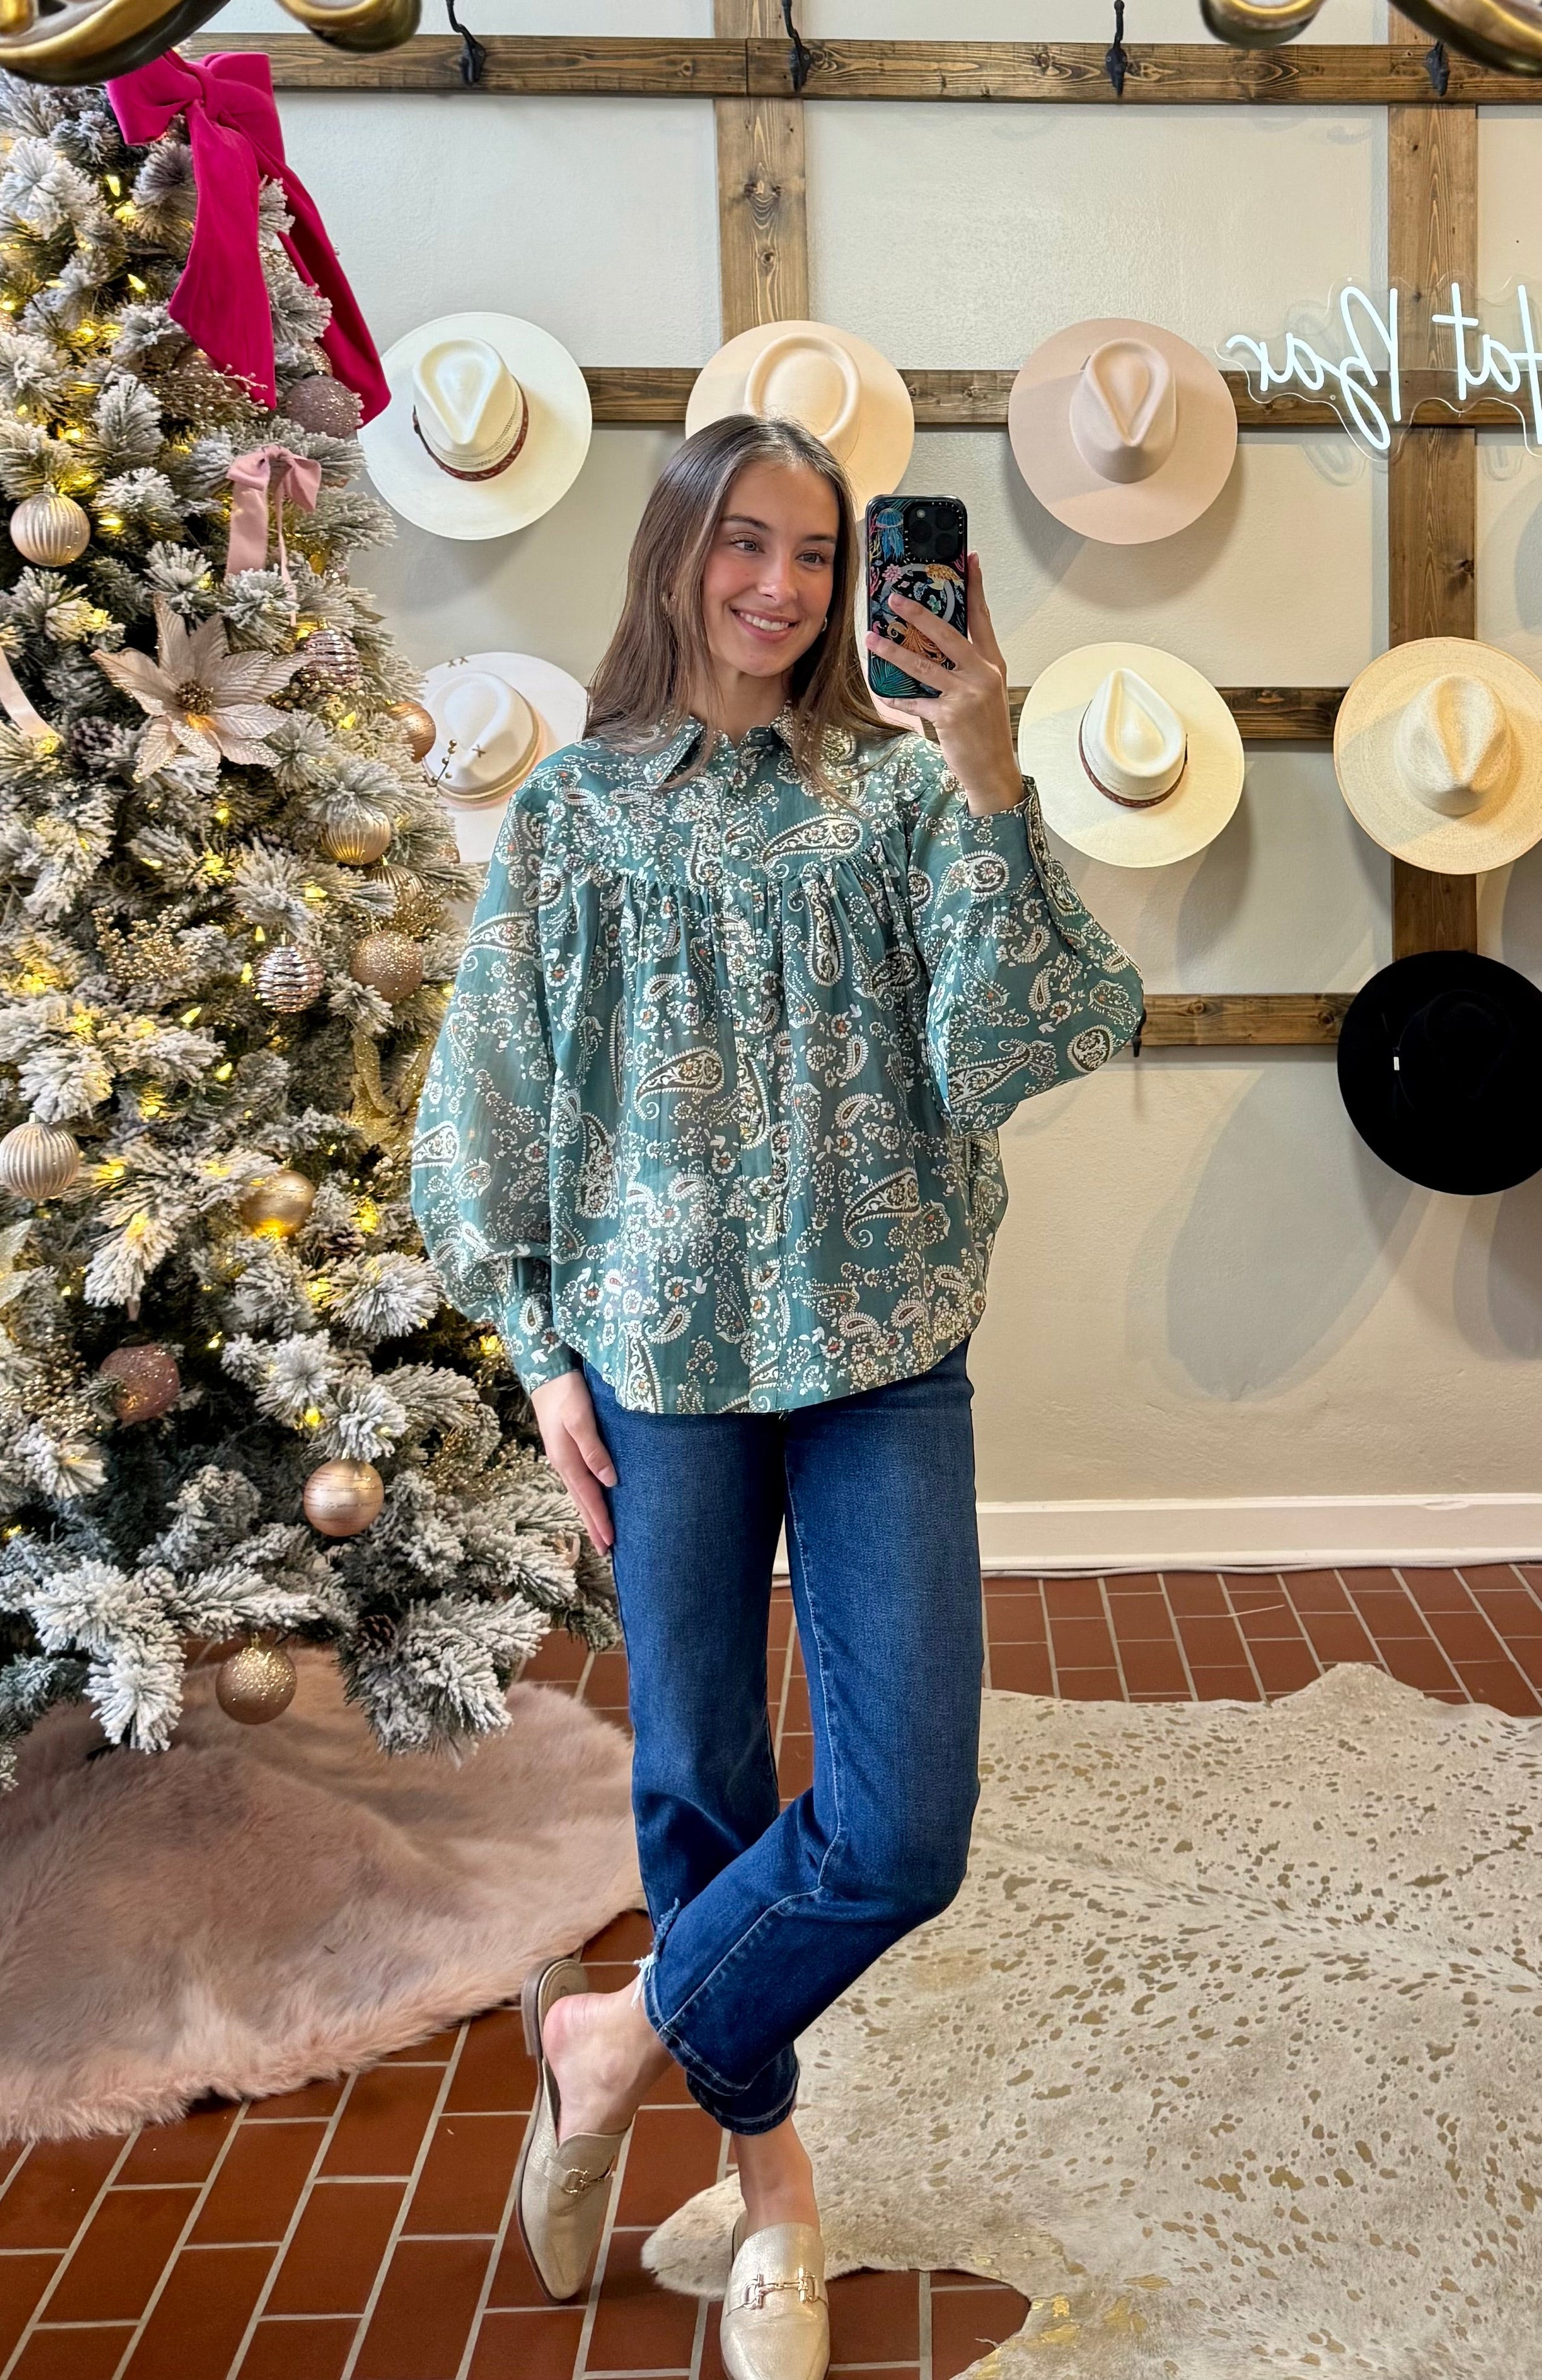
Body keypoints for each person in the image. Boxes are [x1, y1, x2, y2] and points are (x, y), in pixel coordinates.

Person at [410, 413, 1143, 2380]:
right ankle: (776, 2187)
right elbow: (487, 1096)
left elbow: (1012, 1045)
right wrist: (539, 1350)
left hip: (884, 1346)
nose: (784, 586)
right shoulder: (577, 811)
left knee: (902, 1829)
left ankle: (610, 2037)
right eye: (746, 541)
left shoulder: (901, 797)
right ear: (678, 552)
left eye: (821, 553)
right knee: (705, 1784)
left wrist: (989, 773)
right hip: (658, 1358)